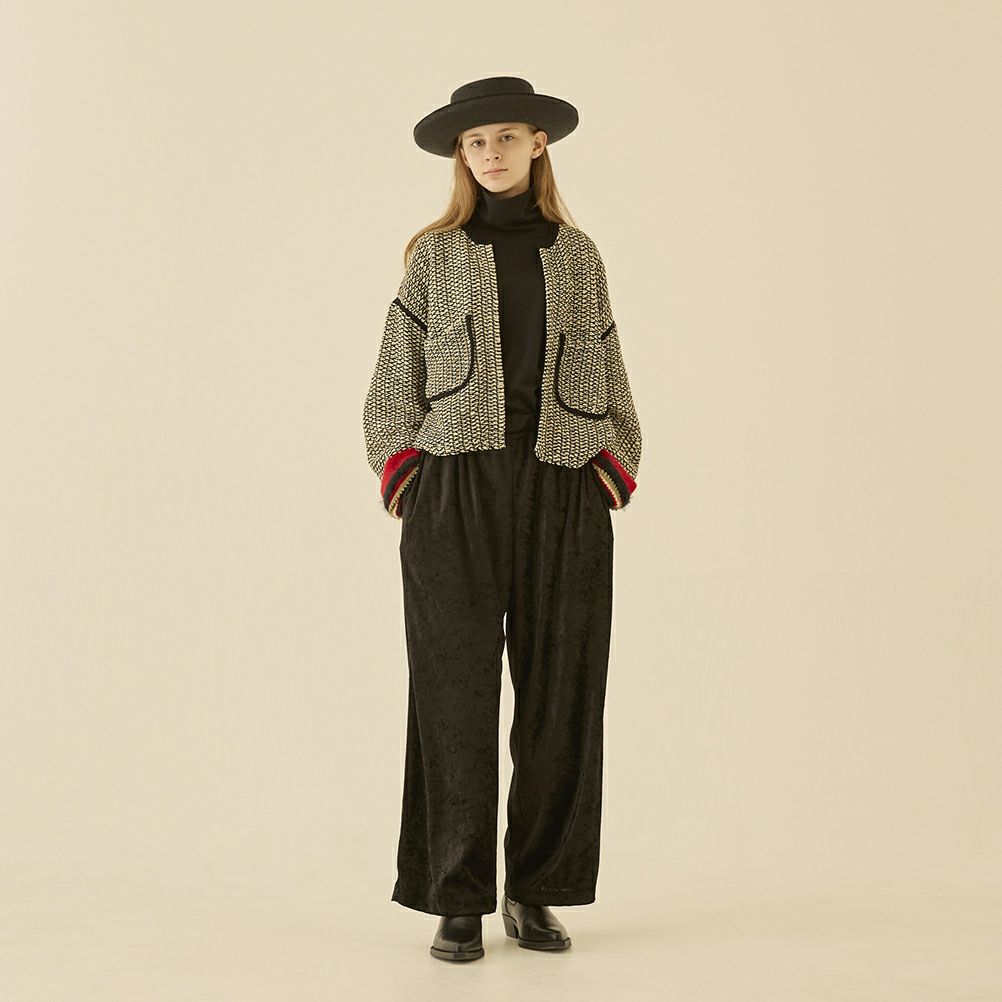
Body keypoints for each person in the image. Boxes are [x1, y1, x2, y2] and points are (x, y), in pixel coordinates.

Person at [362, 76, 642, 962]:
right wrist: (408, 475)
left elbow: (612, 367)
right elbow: (391, 382)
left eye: (506, 137)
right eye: (476, 142)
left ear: (538, 144)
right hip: (456, 492)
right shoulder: (435, 257)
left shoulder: (579, 255)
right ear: (461, 153)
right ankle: (457, 897)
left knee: (563, 698)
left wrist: (611, 467)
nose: (491, 154)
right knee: (453, 698)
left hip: (562, 485)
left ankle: (538, 889)